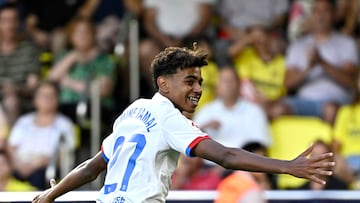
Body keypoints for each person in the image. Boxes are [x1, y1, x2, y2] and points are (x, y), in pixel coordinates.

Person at [33, 46, 335, 203]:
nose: (198, 89)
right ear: (163, 84)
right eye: (189, 81)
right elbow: (226, 156)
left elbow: (94, 166)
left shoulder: (133, 111)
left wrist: (52, 194)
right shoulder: (169, 119)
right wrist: (287, 167)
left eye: (200, 82)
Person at [270, 0, 359, 125]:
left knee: (331, 110)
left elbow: (350, 81)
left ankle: (330, 145)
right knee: (277, 110)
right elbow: (287, 83)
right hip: (303, 101)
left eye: (326, 11)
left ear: (334, 14)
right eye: (317, 11)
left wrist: (322, 63)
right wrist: (308, 68)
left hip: (334, 100)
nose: (321, 15)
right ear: (312, 15)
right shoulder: (298, 45)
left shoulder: (347, 43)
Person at [8, 81, 75, 190]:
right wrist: (18, 165)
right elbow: (11, 148)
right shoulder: (23, 121)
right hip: (19, 166)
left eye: (50, 96)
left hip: (46, 170)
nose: (46, 99)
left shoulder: (65, 124)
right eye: (42, 95)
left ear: (57, 99)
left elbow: (66, 154)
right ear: (35, 99)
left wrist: (37, 164)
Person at [0, 2, 41, 125]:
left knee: (11, 100)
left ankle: (8, 142)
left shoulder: (29, 49)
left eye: (14, 20)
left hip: (19, 99)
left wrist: (16, 89)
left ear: (19, 23)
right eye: (5, 21)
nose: (10, 25)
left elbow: (32, 85)